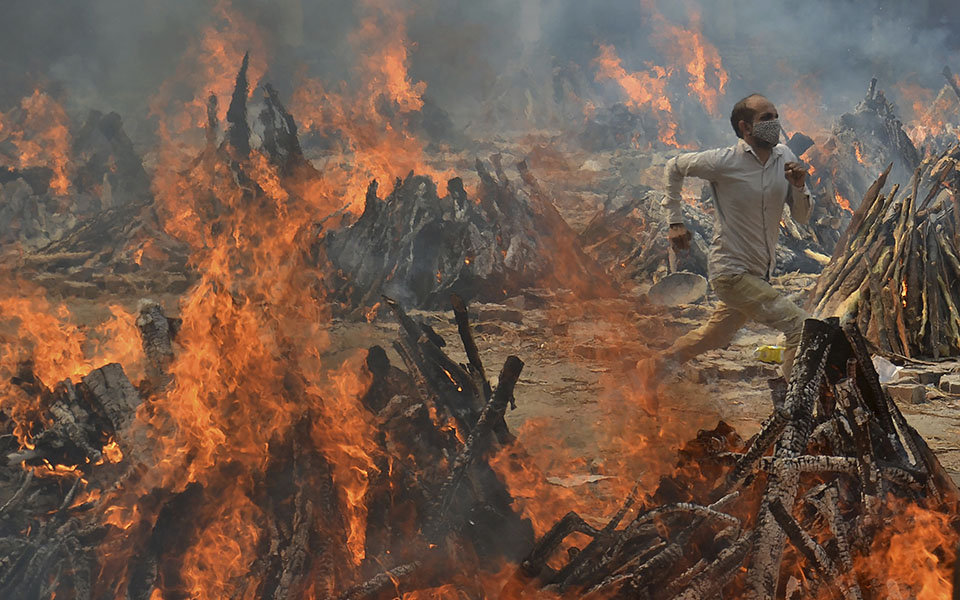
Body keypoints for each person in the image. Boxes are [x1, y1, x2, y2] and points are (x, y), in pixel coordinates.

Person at [645, 93, 812, 381]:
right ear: (745, 128)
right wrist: (675, 222)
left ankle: (653, 368)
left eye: (775, 117)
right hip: (730, 272)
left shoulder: (785, 156)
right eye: (766, 119)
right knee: (800, 326)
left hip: (759, 273)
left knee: (713, 336)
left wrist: (799, 187)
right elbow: (674, 167)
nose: (774, 123)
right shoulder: (724, 161)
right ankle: (791, 405)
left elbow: (801, 217)